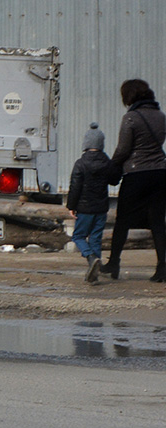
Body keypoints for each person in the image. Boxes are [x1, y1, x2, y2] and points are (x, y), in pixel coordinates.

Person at [99, 79, 166, 282]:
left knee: (123, 221)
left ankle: (113, 263)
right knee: (157, 222)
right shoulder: (161, 116)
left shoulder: (131, 118)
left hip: (136, 174)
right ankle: (162, 267)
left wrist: (112, 166)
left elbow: (123, 150)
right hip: (161, 174)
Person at [67, 123, 112, 283]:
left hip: (84, 208)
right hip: (101, 209)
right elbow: (113, 180)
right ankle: (94, 273)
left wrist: (71, 206)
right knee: (95, 238)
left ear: (86, 144)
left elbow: (75, 187)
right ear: (101, 144)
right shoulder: (107, 162)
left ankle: (91, 257)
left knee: (78, 236)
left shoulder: (80, 163)